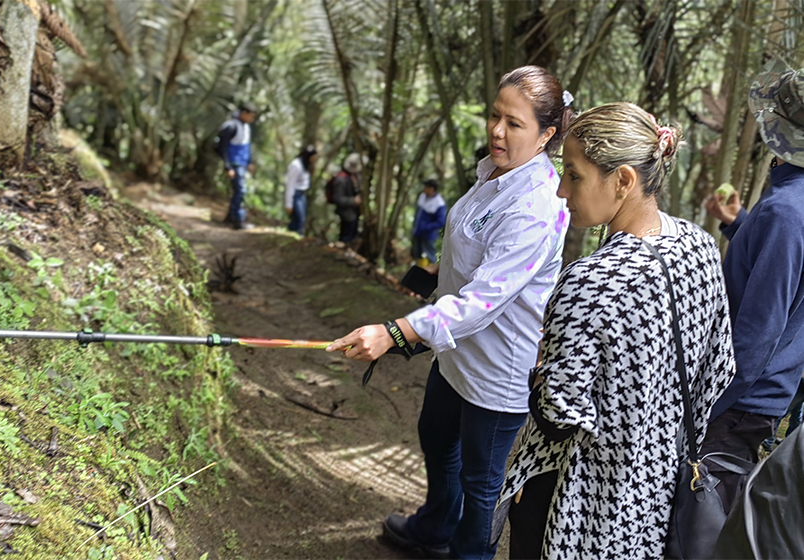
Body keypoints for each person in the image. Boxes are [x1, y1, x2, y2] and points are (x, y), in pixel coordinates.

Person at [326, 65, 572, 559]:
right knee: (436, 439)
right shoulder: (494, 173)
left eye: (515, 123)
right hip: (455, 353)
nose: (498, 131)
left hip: (496, 371)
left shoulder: (539, 205)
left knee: (481, 483)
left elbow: (483, 301)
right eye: (495, 116)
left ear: (547, 134)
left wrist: (397, 333)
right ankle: (435, 526)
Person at [498, 102, 736, 560]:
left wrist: (541, 374)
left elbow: (558, 412)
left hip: (579, 507)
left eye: (573, 174)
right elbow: (719, 368)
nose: (562, 190)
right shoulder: (701, 248)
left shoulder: (591, 279)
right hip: (656, 500)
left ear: (624, 179)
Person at [701, 60, 804, 511]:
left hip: (742, 400)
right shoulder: (787, 204)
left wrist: (708, 404)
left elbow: (760, 330)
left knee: (697, 525)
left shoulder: (785, 211)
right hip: (760, 396)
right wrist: (740, 225)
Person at [218, 102, 257, 229]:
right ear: (244, 113)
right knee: (240, 191)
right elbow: (222, 147)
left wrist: (249, 162)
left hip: (242, 164)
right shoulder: (231, 126)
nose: (252, 119)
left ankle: (231, 217)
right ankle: (236, 220)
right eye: (251, 116)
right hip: (234, 164)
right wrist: (228, 167)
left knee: (239, 192)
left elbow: (246, 147)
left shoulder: (245, 127)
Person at [411, 179, 447, 266]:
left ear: (432, 189)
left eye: (427, 187)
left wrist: (427, 227)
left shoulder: (439, 203)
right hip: (418, 232)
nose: (424, 189)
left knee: (430, 255)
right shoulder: (423, 197)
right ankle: (419, 272)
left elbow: (441, 221)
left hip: (429, 235)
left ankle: (431, 275)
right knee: (416, 253)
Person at [284, 145, 318, 235]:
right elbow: (290, 185)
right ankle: (293, 235)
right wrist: (289, 204)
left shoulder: (306, 165)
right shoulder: (296, 165)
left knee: (301, 219)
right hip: (296, 194)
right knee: (299, 218)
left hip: (302, 194)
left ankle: (294, 235)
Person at [332, 153, 363, 244]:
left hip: (354, 212)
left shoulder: (354, 177)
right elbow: (337, 198)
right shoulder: (341, 179)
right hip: (346, 213)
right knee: (346, 237)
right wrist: (353, 201)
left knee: (353, 235)